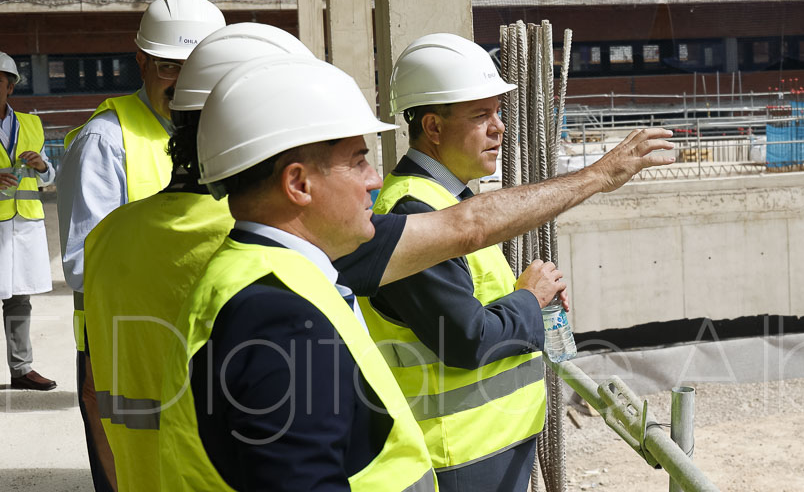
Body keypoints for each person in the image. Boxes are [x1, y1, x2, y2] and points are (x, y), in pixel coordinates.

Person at [158, 54, 674, 490]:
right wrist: (530, 299)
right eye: (358, 161)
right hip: (466, 454)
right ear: (298, 183)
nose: (374, 179)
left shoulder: (281, 275)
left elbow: (469, 226)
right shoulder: (276, 314)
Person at [365, 33, 555, 492]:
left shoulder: (447, 202)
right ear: (432, 127)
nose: (499, 127)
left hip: (486, 447)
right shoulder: (415, 213)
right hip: (457, 458)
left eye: (499, 112)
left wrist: (523, 298)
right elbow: (467, 340)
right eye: (480, 115)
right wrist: (529, 300)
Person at [58, 0, 225, 491]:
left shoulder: (227, 135)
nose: (181, 83)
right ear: (142, 61)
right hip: (124, 343)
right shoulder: (105, 140)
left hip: (211, 334)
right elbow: (87, 265)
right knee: (133, 470)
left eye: (196, 69)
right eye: (169, 67)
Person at [0, 52, 57, 392]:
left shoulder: (32, 125)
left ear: (10, 86)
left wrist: (41, 167)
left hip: (22, 226)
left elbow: (50, 176)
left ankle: (21, 370)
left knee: (19, 298)